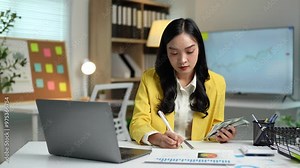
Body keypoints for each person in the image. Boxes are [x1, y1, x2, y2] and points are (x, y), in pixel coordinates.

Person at [129, 18, 236, 148]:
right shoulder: (150, 78)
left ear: (199, 49)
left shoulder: (217, 83)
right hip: (161, 153)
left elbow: (215, 126)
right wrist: (158, 139)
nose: (182, 60)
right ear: (166, 53)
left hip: (197, 155)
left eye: (190, 51)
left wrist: (221, 134)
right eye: (174, 53)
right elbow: (137, 123)